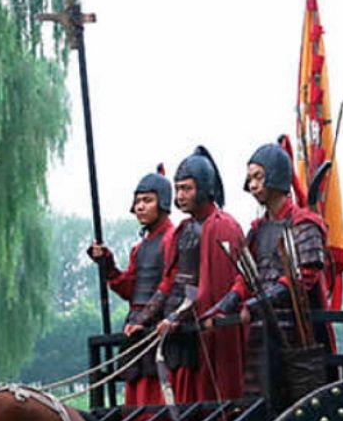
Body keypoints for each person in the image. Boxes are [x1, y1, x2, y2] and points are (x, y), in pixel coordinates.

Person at [209, 141, 329, 397]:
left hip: (297, 333)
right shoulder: (257, 229)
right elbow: (246, 275)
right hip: (262, 331)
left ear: (275, 175)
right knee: (260, 400)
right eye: (250, 177)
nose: (252, 185)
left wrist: (255, 305)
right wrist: (227, 303)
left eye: (258, 177)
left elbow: (302, 280)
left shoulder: (304, 224)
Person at [154, 146, 245, 403]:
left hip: (209, 331)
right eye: (178, 188)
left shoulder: (223, 226)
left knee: (212, 395)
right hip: (184, 327)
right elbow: (172, 282)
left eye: (187, 188)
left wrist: (178, 316)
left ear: (204, 188)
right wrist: (156, 316)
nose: (180, 195)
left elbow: (210, 286)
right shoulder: (182, 230)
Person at [87, 167, 176, 406]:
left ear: (163, 202)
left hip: (158, 326)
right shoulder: (140, 247)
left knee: (156, 394)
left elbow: (171, 285)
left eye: (147, 200)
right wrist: (107, 264)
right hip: (135, 325)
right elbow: (130, 289)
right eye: (137, 201)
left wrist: (145, 319)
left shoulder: (172, 238)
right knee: (135, 391)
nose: (140, 207)